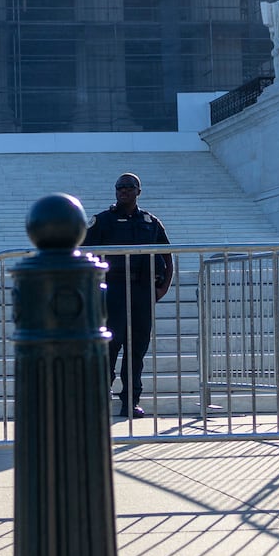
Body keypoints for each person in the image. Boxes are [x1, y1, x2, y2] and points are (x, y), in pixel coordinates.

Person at [82, 173, 172, 419]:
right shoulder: (102, 221)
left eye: (128, 187)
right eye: (119, 187)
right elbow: (83, 253)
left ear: (138, 191)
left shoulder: (150, 222)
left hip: (142, 291)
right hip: (112, 292)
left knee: (137, 350)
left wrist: (163, 287)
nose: (123, 191)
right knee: (109, 347)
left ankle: (130, 401)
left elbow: (167, 254)